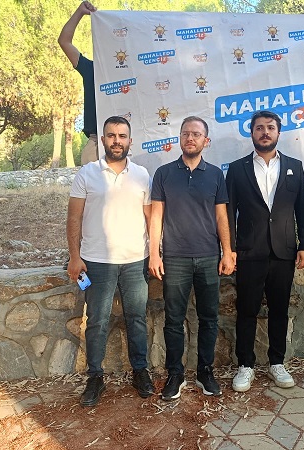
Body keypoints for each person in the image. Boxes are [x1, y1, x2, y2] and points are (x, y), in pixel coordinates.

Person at [66, 116, 154, 407]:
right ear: (102, 140)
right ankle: (95, 377)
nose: (117, 141)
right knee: (97, 321)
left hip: (135, 260)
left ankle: (140, 371)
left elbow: (151, 218)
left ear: (130, 141)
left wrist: (155, 252)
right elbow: (74, 217)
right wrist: (75, 256)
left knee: (137, 318)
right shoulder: (87, 174)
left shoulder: (142, 175)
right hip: (97, 261)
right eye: (112, 135)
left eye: (122, 136)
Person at [226, 111, 304, 392]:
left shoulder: (295, 167)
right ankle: (245, 365)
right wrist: (229, 249)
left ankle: (277, 362)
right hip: (249, 252)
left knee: (279, 310)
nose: (265, 132)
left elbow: (303, 210)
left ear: (278, 132)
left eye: (270, 128)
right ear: (251, 133)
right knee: (246, 310)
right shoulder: (237, 169)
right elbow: (228, 212)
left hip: (283, 251)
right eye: (259, 128)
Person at [149, 116, 235, 401]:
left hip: (209, 257)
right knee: (173, 319)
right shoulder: (163, 173)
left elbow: (221, 216)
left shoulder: (215, 175)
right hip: (175, 258)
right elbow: (157, 215)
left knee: (209, 318)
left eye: (196, 134)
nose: (190, 138)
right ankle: (175, 374)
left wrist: (227, 251)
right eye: (185, 133)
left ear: (205, 141)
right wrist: (154, 253)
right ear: (179, 138)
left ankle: (205, 372)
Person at [58, 1, 99, 165]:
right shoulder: (90, 69)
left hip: (126, 143)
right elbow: (64, 42)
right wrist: (80, 12)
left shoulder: (132, 73)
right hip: (96, 144)